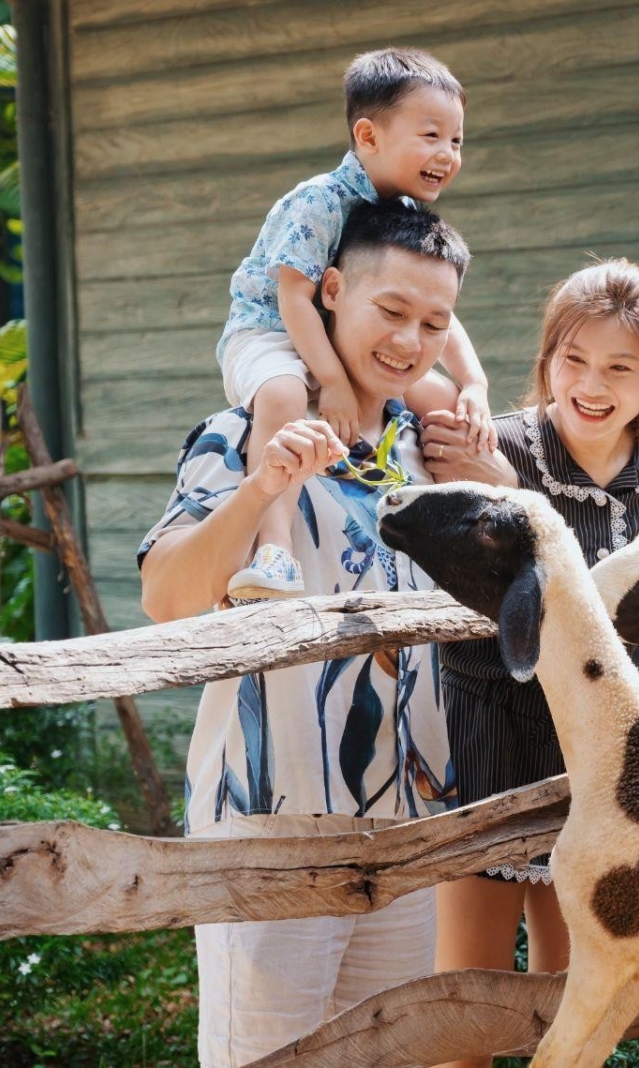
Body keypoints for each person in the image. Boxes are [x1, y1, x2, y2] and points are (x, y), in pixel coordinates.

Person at [139, 201, 472, 1068]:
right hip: (270, 827)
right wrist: (258, 494)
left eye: (434, 322)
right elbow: (166, 597)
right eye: (390, 311)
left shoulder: (428, 451)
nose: (409, 340)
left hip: (406, 829)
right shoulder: (247, 428)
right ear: (330, 293)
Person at [419, 259, 639, 1068]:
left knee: (573, 987)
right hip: (488, 720)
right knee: (466, 989)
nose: (591, 384)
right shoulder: (493, 445)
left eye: (619, 367)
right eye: (573, 359)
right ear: (547, 359)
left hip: (599, 739)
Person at [217, 47, 494, 601]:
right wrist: (335, 382)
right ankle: (275, 551)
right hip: (271, 331)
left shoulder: (408, 216)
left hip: (346, 343)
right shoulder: (319, 201)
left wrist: (475, 385)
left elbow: (437, 312)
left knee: (440, 399)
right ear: (368, 137)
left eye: (457, 141)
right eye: (432, 136)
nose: (448, 153)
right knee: (283, 395)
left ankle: (471, 538)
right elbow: (296, 298)